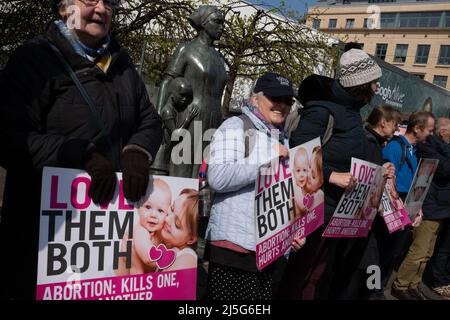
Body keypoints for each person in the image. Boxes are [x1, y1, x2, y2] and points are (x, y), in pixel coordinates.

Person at [0, 0, 163, 299]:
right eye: (90, 0)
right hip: (42, 240)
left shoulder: (123, 65)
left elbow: (150, 120)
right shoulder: (33, 58)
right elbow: (10, 137)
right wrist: (79, 153)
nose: (101, 9)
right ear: (65, 8)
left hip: (103, 242)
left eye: (109, 2)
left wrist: (138, 149)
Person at [278, 48, 382, 300]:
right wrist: (332, 176)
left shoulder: (352, 112)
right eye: (373, 82)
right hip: (314, 207)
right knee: (298, 274)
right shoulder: (322, 110)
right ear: (359, 84)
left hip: (337, 210)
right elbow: (297, 156)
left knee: (317, 273)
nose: (377, 88)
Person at [204, 72, 305, 300]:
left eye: (288, 100)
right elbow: (218, 177)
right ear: (255, 99)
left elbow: (284, 192)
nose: (281, 105)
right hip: (235, 248)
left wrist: (293, 230)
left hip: (268, 249)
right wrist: (267, 157)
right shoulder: (235, 125)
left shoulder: (281, 137)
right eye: (274, 98)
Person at [156, 5, 227, 178]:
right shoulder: (186, 49)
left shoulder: (219, 58)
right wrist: (158, 115)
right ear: (203, 23)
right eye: (217, 22)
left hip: (214, 121)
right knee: (183, 172)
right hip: (190, 119)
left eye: (223, 23)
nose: (222, 27)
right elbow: (168, 80)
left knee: (204, 176)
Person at [391, 117, 450, 300]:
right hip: (429, 205)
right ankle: (400, 284)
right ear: (444, 132)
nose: (430, 133)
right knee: (419, 249)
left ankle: (413, 284)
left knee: (427, 252)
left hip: (441, 207)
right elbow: (445, 169)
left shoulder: (439, 147)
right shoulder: (427, 147)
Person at [382, 111, 435, 300]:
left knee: (394, 251)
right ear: (417, 128)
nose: (431, 133)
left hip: (407, 203)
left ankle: (379, 288)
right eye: (429, 129)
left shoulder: (413, 149)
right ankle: (373, 289)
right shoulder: (395, 148)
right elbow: (387, 181)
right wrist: (398, 205)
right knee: (384, 251)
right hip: (393, 206)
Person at [152, 78, 199, 175]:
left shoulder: (173, 110)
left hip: (165, 161)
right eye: (182, 95)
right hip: (159, 162)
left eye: (187, 97)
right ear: (172, 94)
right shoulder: (167, 111)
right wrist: (188, 119)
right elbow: (174, 136)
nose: (184, 99)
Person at [128, 179, 173, 275]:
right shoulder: (140, 230)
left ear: (167, 213)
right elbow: (147, 257)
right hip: (115, 279)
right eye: (148, 207)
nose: (153, 215)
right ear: (138, 208)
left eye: (160, 210)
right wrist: (167, 260)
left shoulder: (161, 231)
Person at [160, 188, 200, 271]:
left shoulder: (187, 258)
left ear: (191, 239)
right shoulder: (168, 245)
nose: (166, 219)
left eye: (176, 223)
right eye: (172, 209)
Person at [293, 147, 310, 216]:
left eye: (304, 170)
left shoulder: (305, 187)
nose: (301, 175)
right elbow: (299, 200)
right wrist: (304, 208)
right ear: (293, 172)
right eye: (298, 171)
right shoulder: (296, 188)